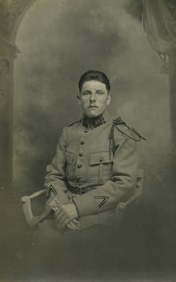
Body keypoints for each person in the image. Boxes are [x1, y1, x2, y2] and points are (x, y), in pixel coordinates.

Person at [42, 70, 144, 235]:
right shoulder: (68, 132)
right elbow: (54, 178)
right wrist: (58, 207)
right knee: (43, 234)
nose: (92, 99)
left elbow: (123, 185)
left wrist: (78, 208)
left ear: (108, 99)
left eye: (99, 93)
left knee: (74, 244)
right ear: (79, 100)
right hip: (64, 206)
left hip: (102, 213)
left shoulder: (123, 134)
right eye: (86, 93)